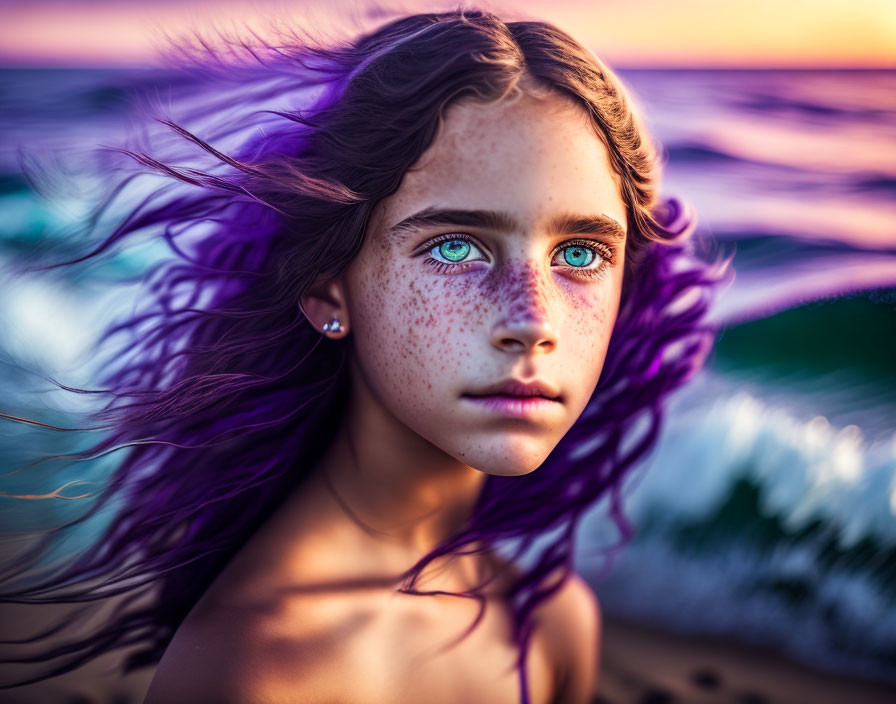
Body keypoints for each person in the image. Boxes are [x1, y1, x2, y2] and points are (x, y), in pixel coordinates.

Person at [0, 6, 728, 703]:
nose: (533, 320)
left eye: (579, 252)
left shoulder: (550, 626)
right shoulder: (254, 672)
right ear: (328, 288)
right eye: (455, 247)